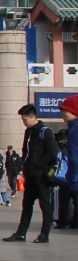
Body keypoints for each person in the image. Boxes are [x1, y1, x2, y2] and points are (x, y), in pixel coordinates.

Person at [4, 104, 59, 244]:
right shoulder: (28, 132)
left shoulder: (45, 131)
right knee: (27, 205)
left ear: (34, 117)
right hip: (30, 174)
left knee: (45, 205)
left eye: (25, 119)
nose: (24, 122)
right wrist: (24, 166)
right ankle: (21, 233)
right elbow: (26, 151)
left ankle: (44, 234)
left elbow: (52, 152)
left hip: (41, 175)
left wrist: (38, 164)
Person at [57, 96, 78, 231]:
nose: (63, 113)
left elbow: (75, 158)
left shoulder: (74, 130)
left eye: (66, 110)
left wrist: (71, 179)